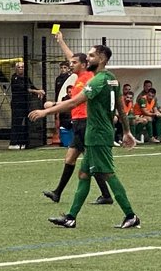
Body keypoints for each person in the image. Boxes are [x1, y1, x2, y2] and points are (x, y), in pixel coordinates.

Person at [29, 45, 141, 229]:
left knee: (107, 174)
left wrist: (45, 112)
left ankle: (131, 215)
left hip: (98, 134)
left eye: (91, 56)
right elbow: (120, 107)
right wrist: (127, 131)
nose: (87, 59)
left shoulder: (96, 82)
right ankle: (71, 217)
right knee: (83, 174)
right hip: (95, 133)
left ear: (102, 59)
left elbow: (73, 102)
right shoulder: (112, 79)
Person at [42, 31, 112, 205]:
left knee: (91, 161)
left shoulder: (89, 75)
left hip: (86, 122)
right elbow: (72, 57)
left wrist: (49, 110)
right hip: (79, 123)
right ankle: (58, 192)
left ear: (83, 64)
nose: (71, 64)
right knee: (71, 158)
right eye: (70, 62)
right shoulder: (79, 76)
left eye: (74, 63)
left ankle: (107, 195)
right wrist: (61, 41)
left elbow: (75, 102)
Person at [9, 61, 46, 150]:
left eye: (22, 67)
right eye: (19, 67)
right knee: (16, 123)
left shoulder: (26, 78)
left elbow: (31, 86)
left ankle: (25, 142)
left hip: (27, 104)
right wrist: (35, 91)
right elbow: (24, 88)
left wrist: (40, 90)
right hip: (17, 104)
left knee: (27, 122)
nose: (21, 68)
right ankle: (14, 143)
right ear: (16, 69)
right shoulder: (15, 78)